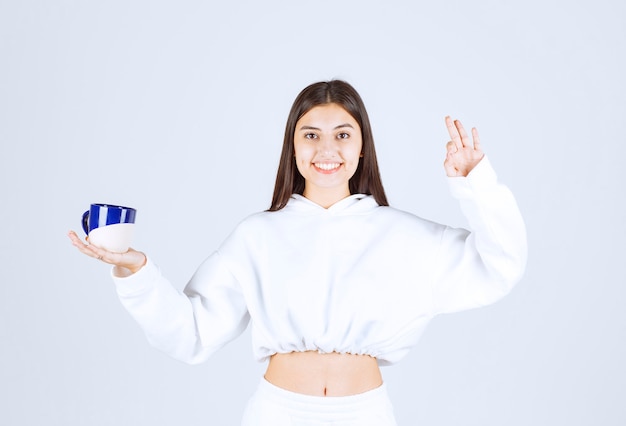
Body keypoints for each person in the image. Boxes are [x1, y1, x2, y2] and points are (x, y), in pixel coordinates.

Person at [68, 80, 527, 425]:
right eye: (311, 135)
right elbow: (191, 332)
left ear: (363, 146)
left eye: (342, 135)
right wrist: (136, 270)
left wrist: (476, 185)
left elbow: (499, 265)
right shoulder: (258, 236)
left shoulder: (405, 236)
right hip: (277, 413)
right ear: (292, 145)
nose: (327, 149)